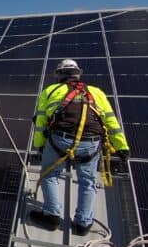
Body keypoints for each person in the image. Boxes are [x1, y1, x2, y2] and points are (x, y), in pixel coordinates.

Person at [30, 59, 129, 235]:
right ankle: (83, 223)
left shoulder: (50, 91)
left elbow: (40, 122)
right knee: (88, 181)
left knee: (49, 175)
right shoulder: (96, 92)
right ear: (77, 74)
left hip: (59, 140)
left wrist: (40, 146)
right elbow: (111, 121)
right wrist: (122, 146)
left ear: (59, 75)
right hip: (90, 144)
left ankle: (52, 216)